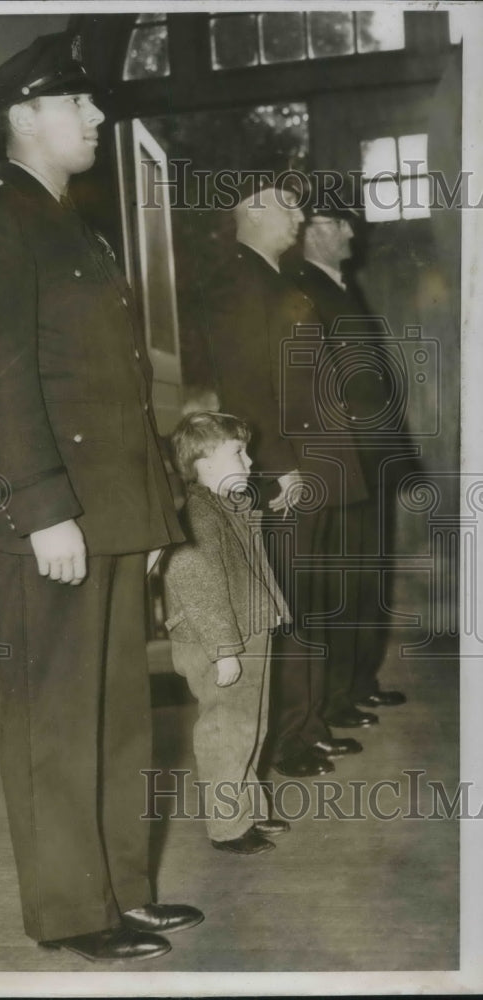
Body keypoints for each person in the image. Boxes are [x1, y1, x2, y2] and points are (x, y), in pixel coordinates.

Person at [0, 32, 203, 962]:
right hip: (50, 510)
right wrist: (43, 507)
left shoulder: (72, 224)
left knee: (119, 711)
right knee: (55, 713)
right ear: (22, 117)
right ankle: (70, 908)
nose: (95, 117)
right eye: (74, 104)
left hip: (109, 507)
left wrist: (148, 512)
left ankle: (120, 886)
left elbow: (116, 385)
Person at [205, 182, 371, 780]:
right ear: (251, 211)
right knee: (291, 607)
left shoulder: (278, 281)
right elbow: (247, 390)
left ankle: (308, 723)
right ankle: (287, 740)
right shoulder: (238, 283)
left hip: (317, 466)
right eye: (287, 205)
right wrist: (277, 468)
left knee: (312, 603)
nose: (299, 217)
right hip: (288, 471)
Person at [284, 203, 410, 714]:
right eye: (340, 223)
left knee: (370, 577)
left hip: (372, 458)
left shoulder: (339, 285)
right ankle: (335, 698)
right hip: (342, 461)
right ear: (312, 231)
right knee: (344, 579)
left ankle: (359, 682)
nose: (352, 232)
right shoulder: (299, 287)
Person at [164, 412, 291, 854]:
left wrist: (271, 613)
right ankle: (227, 827)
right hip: (219, 641)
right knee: (225, 729)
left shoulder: (226, 506)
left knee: (249, 727)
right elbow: (197, 585)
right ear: (203, 461)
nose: (251, 461)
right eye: (239, 452)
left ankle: (248, 811)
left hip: (247, 631)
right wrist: (223, 651)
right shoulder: (198, 514)